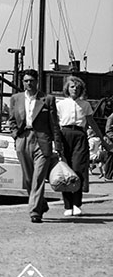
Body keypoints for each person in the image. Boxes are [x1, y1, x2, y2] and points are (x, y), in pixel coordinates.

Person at [7, 69, 61, 223]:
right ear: (22, 82)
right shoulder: (16, 98)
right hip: (23, 139)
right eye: (26, 81)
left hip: (42, 141)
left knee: (39, 177)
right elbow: (11, 119)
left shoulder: (47, 99)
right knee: (28, 178)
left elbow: (54, 124)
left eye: (31, 80)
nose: (29, 83)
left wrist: (57, 145)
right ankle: (41, 203)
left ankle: (35, 212)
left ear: (37, 81)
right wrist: (15, 134)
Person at [54, 76, 103, 217]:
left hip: (80, 135)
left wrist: (102, 139)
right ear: (67, 89)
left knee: (78, 169)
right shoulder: (60, 104)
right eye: (72, 86)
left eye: (77, 87)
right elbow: (55, 123)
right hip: (65, 134)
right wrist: (55, 141)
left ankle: (76, 204)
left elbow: (91, 122)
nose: (75, 89)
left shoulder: (85, 105)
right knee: (65, 170)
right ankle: (67, 205)